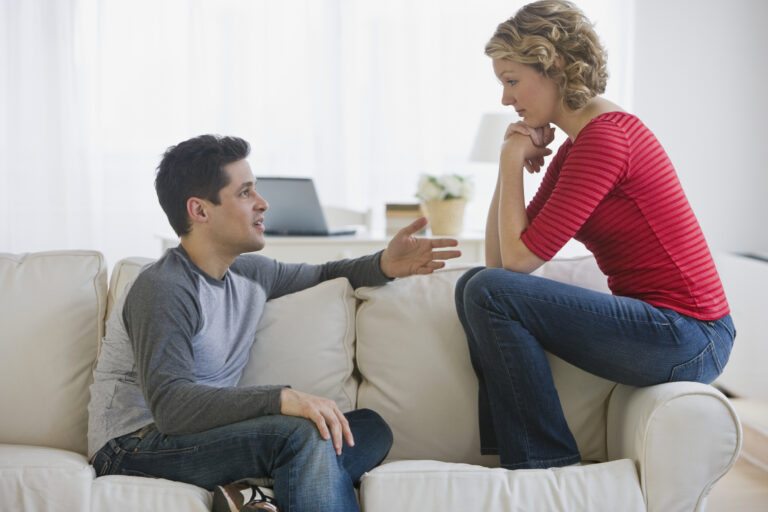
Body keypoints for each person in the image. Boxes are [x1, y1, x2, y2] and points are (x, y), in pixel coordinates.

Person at [87, 134, 461, 512]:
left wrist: (384, 264)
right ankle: (275, 485)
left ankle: (255, 497)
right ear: (200, 211)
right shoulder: (164, 287)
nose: (263, 204)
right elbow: (172, 407)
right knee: (302, 435)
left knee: (368, 428)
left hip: (200, 438)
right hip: (132, 445)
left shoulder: (251, 274)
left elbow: (326, 273)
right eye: (246, 193)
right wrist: (282, 398)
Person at [454, 0, 734, 471]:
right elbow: (501, 264)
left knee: (484, 290)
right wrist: (510, 164)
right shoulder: (577, 149)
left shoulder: (606, 139)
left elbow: (517, 265)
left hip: (691, 335)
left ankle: (546, 463)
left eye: (512, 80)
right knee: (475, 285)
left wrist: (508, 162)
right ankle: (530, 454)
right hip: (668, 329)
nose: (506, 99)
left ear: (554, 66)